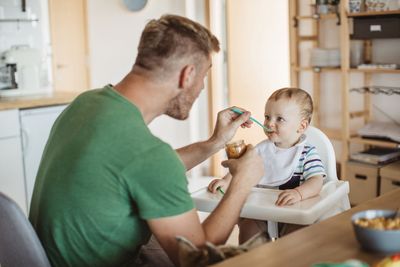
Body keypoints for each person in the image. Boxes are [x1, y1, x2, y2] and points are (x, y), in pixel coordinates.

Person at [29, 14, 264, 267]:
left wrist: (215, 143)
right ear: (187, 75)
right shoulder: (149, 157)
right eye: (204, 76)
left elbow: (137, 170)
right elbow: (198, 258)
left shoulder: (86, 103)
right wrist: (241, 183)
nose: (203, 87)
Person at [208, 87, 326, 243]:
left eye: (279, 119)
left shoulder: (307, 153)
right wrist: (226, 180)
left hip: (291, 213)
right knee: (248, 228)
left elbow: (316, 181)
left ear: (302, 126)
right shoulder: (262, 149)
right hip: (261, 211)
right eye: (267, 117)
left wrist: (298, 193)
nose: (269, 123)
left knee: (297, 236)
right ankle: (254, 258)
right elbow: (243, 167)